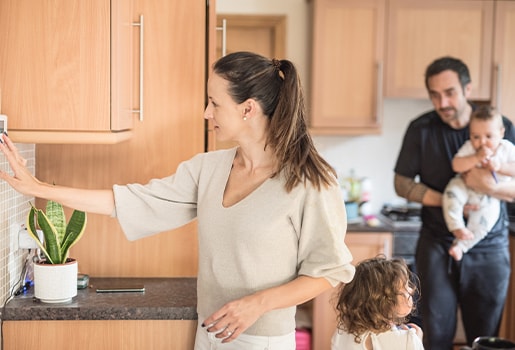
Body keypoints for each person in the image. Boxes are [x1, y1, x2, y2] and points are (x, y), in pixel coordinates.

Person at [0, 51, 356, 349]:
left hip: (261, 340)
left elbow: (329, 271)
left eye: (214, 103)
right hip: (208, 332)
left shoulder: (309, 181)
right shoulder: (208, 169)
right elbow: (130, 201)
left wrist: (256, 305)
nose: (206, 112)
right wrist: (40, 190)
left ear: (248, 109)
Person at [393, 56, 515, 350]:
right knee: (435, 334)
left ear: (467, 89)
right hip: (436, 245)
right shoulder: (421, 129)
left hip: (489, 247)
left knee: (484, 339)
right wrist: (449, 202)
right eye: (435, 95)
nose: (442, 102)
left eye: (449, 93)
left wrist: (485, 186)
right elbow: (401, 183)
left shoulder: (500, 127)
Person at [443, 105, 515, 261]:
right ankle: (456, 227)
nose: (482, 142)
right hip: (465, 186)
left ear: (501, 133)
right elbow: (456, 165)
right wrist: (475, 158)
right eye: (476, 136)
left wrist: (500, 167)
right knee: (451, 192)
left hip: (490, 196)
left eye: (488, 136)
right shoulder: (470, 148)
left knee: (486, 220)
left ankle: (461, 246)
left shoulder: (507, 149)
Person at [331, 256, 424, 350]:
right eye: (405, 287)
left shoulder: (341, 333)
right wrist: (417, 341)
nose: (412, 290)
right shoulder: (408, 340)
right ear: (386, 302)